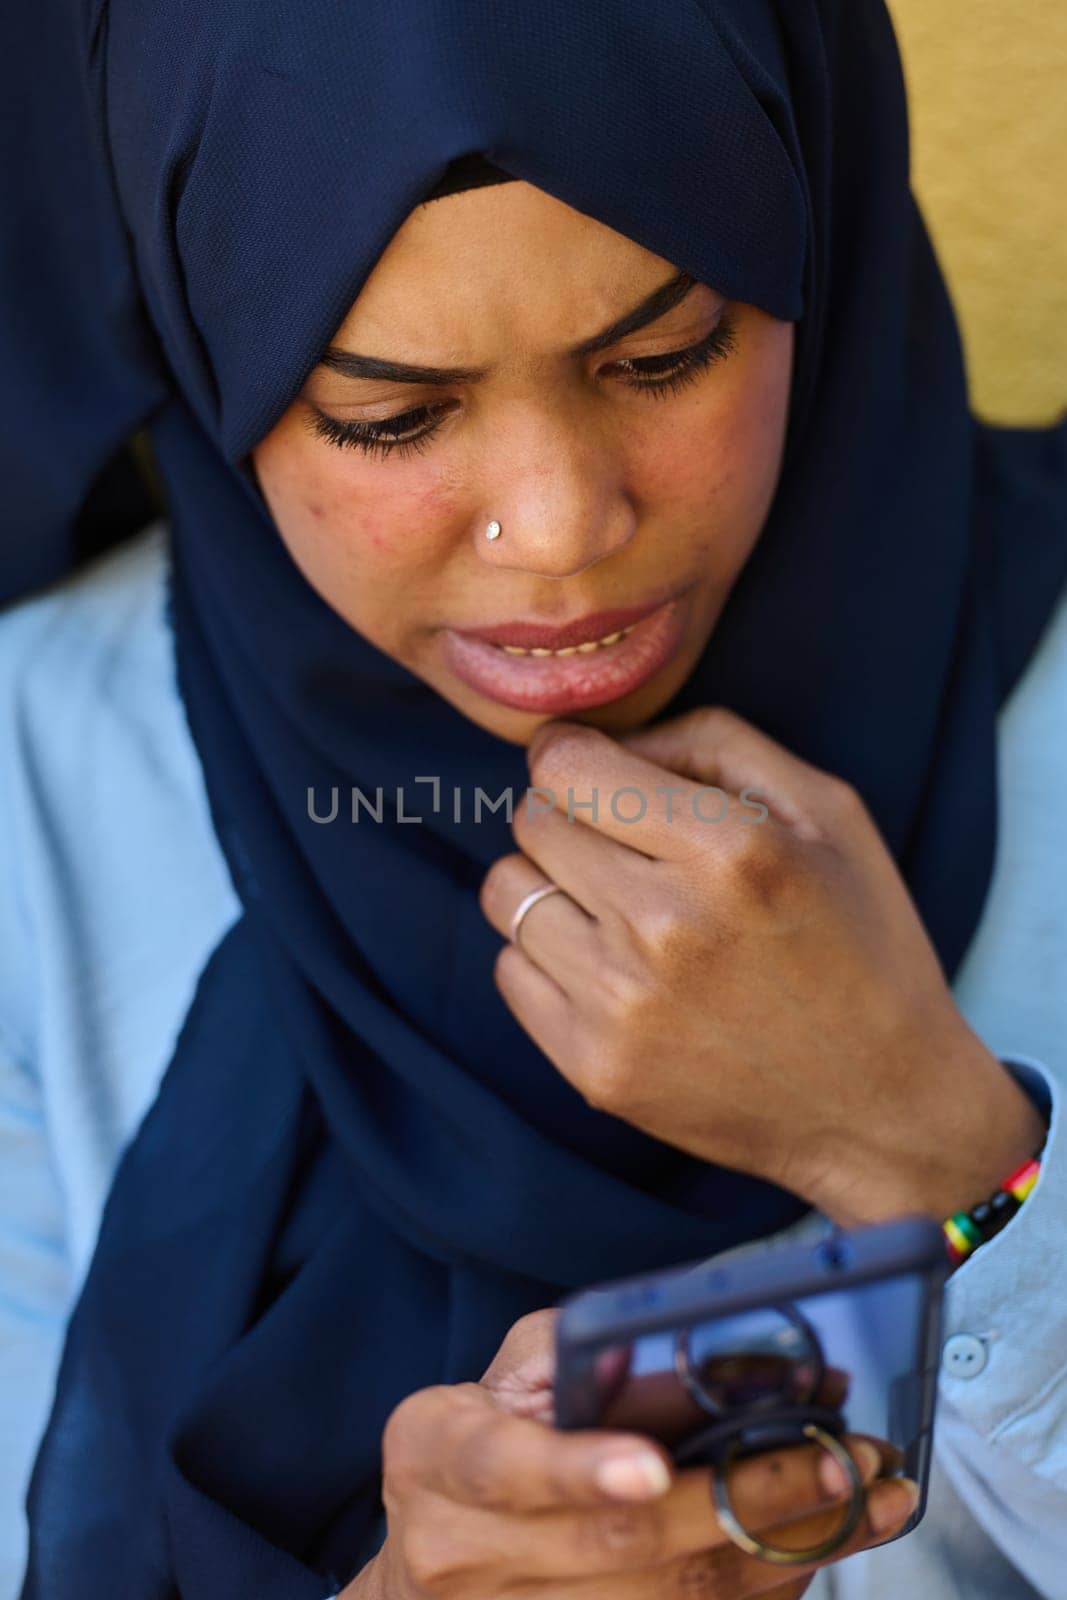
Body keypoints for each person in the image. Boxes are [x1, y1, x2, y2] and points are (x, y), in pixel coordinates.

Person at [1, 1, 1065, 1597]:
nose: (563, 531)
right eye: (391, 414)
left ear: (817, 232)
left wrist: (937, 1151)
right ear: (206, 351)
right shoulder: (41, 790)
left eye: (664, 353)